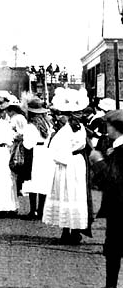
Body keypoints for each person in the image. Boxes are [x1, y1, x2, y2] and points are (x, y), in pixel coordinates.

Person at [42, 88, 91, 245]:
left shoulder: (80, 128)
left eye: (80, 113)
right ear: (70, 115)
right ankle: (66, 231)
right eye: (76, 113)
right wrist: (68, 158)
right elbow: (56, 150)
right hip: (68, 165)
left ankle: (75, 230)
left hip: (77, 164)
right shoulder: (64, 131)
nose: (79, 116)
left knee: (76, 195)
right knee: (68, 194)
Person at [89, 109, 123, 288]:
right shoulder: (116, 148)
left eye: (108, 125)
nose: (106, 128)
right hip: (118, 206)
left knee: (114, 249)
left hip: (119, 207)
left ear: (115, 127)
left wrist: (98, 162)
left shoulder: (120, 151)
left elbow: (111, 180)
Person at [20, 97, 54, 219]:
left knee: (33, 182)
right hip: (46, 153)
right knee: (43, 183)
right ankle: (41, 211)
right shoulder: (48, 124)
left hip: (34, 155)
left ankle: (32, 211)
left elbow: (28, 144)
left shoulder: (30, 126)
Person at [6, 101, 30, 196]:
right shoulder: (22, 117)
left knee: (15, 163)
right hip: (23, 143)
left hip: (16, 144)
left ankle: (17, 187)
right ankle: (20, 186)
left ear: (11, 111)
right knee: (20, 163)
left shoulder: (14, 118)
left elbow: (11, 131)